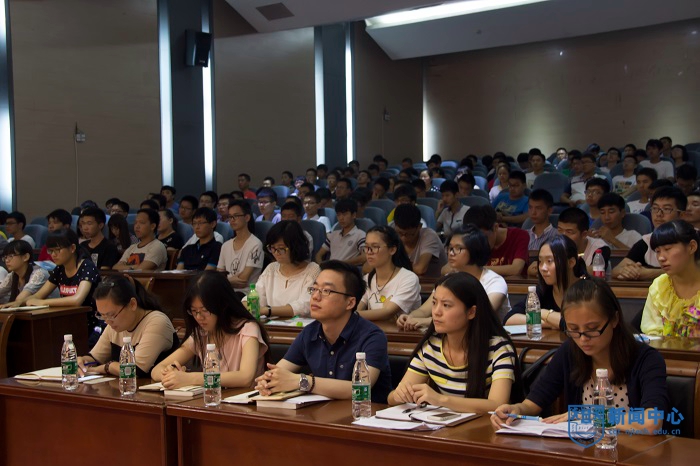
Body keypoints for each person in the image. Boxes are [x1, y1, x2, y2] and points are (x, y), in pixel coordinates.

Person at [491, 278, 668, 435]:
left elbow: (652, 422)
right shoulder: (570, 352)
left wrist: (589, 415)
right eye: (574, 330)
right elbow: (533, 403)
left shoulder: (646, 359)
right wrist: (515, 409)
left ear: (614, 319)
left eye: (592, 329)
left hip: (633, 451)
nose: (583, 339)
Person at [254, 260, 392, 403]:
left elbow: (359, 389)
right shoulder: (309, 333)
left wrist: (304, 381)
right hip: (323, 411)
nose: (315, 296)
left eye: (326, 291)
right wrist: (267, 382)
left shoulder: (372, 336)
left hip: (366, 413)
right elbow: (278, 372)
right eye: (314, 289)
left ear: (350, 303)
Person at [389, 272, 519, 413]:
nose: (436, 312)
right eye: (434, 303)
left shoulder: (498, 349)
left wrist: (441, 400)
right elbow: (391, 398)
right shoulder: (431, 346)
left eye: (446, 305)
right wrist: (399, 395)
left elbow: (497, 404)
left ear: (471, 312)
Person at [151, 272, 269, 388]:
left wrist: (191, 378)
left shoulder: (248, 329)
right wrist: (170, 375)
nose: (199, 317)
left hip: (244, 399)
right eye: (194, 311)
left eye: (205, 310)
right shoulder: (201, 334)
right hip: (212, 398)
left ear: (222, 305)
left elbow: (245, 377)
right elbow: (156, 370)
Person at [399, 224, 511, 328]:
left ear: (475, 250)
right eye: (450, 248)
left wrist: (426, 321)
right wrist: (409, 317)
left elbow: (479, 316)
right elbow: (424, 311)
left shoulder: (495, 282)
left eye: (458, 248)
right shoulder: (448, 279)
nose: (451, 253)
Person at [77, 276, 178, 377]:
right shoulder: (114, 325)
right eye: (102, 315)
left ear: (132, 304)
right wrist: (83, 362)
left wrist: (108, 367)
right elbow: (96, 358)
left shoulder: (157, 322)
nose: (107, 321)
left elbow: (135, 370)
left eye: (111, 315)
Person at [24, 229, 102, 338]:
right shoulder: (59, 269)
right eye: (50, 251)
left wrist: (42, 303)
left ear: (72, 248)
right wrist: (16, 303)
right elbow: (38, 295)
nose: (53, 255)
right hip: (67, 322)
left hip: (91, 326)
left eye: (57, 250)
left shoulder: (87, 267)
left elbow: (77, 300)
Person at [505, 235, 587, 330]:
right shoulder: (543, 290)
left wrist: (544, 313)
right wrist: (548, 323)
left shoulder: (588, 290)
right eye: (540, 261)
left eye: (549, 261)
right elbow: (509, 319)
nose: (543, 268)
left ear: (571, 262)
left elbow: (575, 323)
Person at [641, 220, 700, 336]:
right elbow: (652, 333)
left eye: (667, 249)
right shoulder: (660, 286)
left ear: (692, 247)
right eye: (657, 251)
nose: (661, 258)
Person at [613, 187, 686, 281]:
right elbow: (616, 270)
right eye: (655, 208)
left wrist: (650, 273)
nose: (659, 214)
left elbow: (693, 270)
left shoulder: (693, 239)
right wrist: (628, 271)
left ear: (681, 215)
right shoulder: (646, 242)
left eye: (666, 209)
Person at [253, 221, 320, 318]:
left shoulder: (313, 270)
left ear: (296, 247)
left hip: (301, 325)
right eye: (272, 248)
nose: (276, 253)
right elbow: (256, 296)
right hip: (271, 323)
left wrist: (268, 311)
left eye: (281, 248)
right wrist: (246, 303)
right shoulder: (271, 268)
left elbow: (304, 306)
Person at [357, 226, 421, 321]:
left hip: (399, 330)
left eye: (375, 247)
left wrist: (349, 316)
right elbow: (357, 308)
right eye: (366, 247)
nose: (369, 252)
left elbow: (387, 312)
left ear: (392, 250)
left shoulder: (408, 278)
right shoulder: (367, 279)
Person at [459, 205, 528, 277]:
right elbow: (454, 268)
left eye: (483, 237)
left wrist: (476, 269)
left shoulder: (519, 235)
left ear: (495, 227)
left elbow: (516, 269)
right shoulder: (470, 240)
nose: (479, 243)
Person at [217, 200, 264, 294]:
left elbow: (243, 280)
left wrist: (224, 281)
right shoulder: (226, 245)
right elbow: (218, 276)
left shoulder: (255, 244)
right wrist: (228, 282)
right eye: (230, 217)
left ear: (247, 218)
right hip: (226, 291)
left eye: (236, 216)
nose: (232, 220)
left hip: (246, 294)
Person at [393, 204, 447, 278]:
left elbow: (420, 269)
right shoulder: (392, 235)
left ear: (419, 226)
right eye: (400, 233)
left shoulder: (429, 236)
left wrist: (394, 267)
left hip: (432, 282)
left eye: (410, 234)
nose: (404, 238)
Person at [555, 207, 610, 276]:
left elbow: (597, 271)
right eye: (560, 230)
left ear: (584, 234)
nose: (563, 236)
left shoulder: (599, 247)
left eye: (569, 232)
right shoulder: (553, 245)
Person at [0, 240, 52, 307]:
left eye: (11, 256)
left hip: (52, 311)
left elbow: (20, 300)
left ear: (25, 257)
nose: (7, 260)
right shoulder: (12, 275)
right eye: (5, 257)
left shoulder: (39, 273)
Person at [315, 199, 366, 266]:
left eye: (344, 214)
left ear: (354, 215)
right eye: (338, 215)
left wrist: (342, 264)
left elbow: (364, 257)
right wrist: (322, 266)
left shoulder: (360, 235)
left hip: (346, 269)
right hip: (329, 269)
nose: (341, 218)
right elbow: (318, 255)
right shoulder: (333, 235)